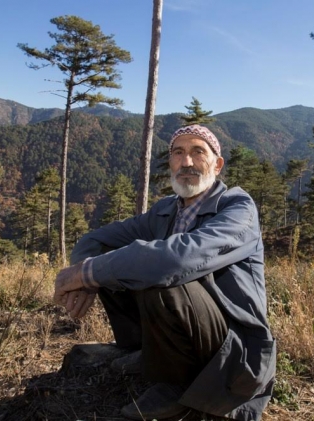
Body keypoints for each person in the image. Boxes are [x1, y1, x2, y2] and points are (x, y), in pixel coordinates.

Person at [53, 124, 276, 421]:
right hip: (193, 322)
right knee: (123, 262)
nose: (187, 162)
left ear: (217, 164)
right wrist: (87, 276)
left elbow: (177, 260)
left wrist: (86, 273)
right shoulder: (165, 211)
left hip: (230, 340)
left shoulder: (237, 208)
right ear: (170, 162)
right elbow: (96, 239)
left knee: (158, 272)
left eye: (198, 152)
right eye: (178, 153)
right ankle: (148, 352)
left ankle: (177, 385)